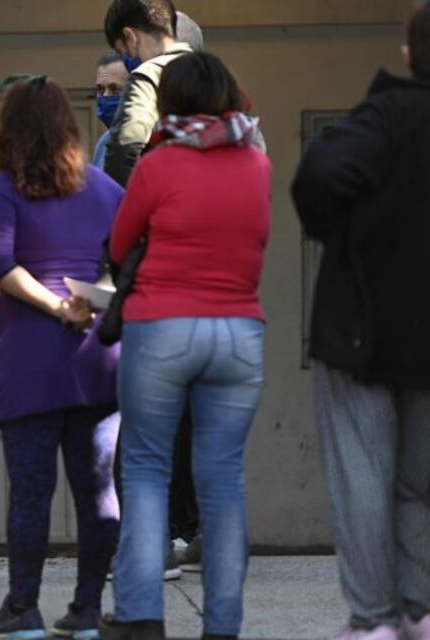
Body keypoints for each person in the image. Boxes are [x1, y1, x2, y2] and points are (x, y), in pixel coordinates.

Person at [101, 52, 271, 640]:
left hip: (162, 328)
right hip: (239, 332)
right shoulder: (257, 164)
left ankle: (142, 617)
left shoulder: (157, 164)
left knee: (146, 472)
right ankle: (222, 627)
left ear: (168, 101)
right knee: (222, 481)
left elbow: (120, 246)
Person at [292, 4, 430, 639]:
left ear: (409, 54)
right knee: (420, 483)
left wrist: (341, 231)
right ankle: (420, 612)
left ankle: (375, 622)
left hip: (362, 330)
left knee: (363, 479)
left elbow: (318, 175)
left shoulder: (386, 116)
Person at [0, 75, 123, 640]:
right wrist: (90, 300)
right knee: (98, 492)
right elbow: (130, 259)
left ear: (9, 131)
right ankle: (86, 610)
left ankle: (22, 608)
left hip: (32, 364)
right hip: (97, 361)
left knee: (30, 492)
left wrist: (56, 307)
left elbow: (0, 266)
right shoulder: (107, 189)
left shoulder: (5, 192)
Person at [102, 0, 191, 188]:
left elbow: (124, 147)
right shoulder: (215, 73)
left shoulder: (148, 76)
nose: (127, 59)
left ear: (130, 36)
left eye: (123, 51)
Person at [91, 51, 130, 170]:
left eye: (115, 89)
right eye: (100, 89)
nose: (105, 96)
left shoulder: (154, 142)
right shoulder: (104, 142)